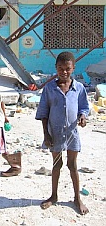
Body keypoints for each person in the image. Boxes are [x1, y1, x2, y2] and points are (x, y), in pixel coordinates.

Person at [36, 51, 89, 215]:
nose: (64, 72)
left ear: (73, 68)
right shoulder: (49, 89)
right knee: (56, 165)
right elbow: (43, 113)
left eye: (67, 69)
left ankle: (76, 198)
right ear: (56, 68)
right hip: (55, 133)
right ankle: (54, 195)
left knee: (72, 166)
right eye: (60, 68)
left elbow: (84, 108)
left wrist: (83, 117)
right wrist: (46, 135)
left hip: (72, 134)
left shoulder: (78, 88)